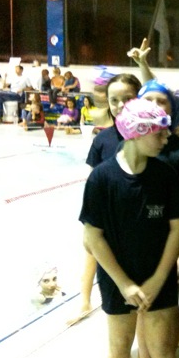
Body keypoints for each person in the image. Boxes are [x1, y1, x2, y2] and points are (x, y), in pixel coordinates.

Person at [80, 98, 179, 358]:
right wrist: (124, 283)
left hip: (158, 276)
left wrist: (158, 279)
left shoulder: (165, 174)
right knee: (119, 348)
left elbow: (177, 228)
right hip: (117, 278)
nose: (166, 139)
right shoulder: (102, 178)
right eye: (159, 134)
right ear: (138, 133)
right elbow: (93, 237)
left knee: (162, 349)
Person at [67, 73, 142, 327]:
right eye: (114, 100)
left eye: (127, 99)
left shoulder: (148, 138)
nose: (120, 105)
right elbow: (91, 185)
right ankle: (85, 300)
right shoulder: (102, 140)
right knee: (93, 252)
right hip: (107, 220)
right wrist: (88, 224)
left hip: (137, 220)